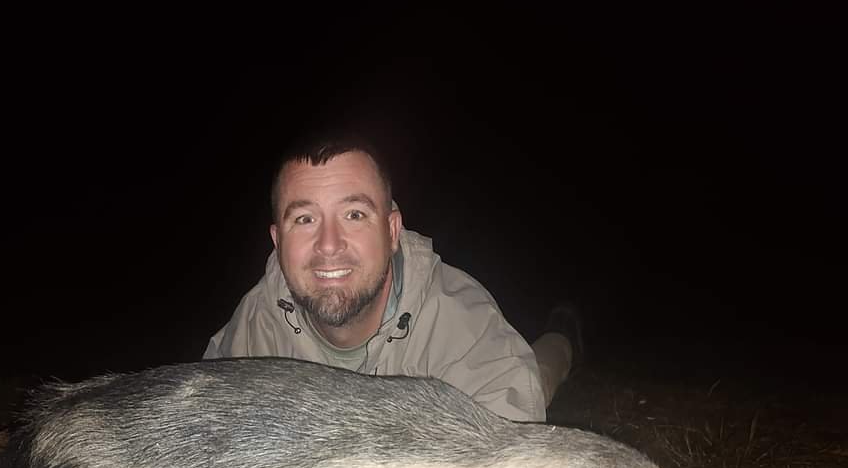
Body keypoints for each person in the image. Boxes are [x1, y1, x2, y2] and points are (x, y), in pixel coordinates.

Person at [203, 133, 582, 422]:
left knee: (539, 374)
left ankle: (561, 337)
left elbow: (509, 450)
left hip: (495, 376)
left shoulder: (460, 324)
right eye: (305, 220)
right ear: (277, 240)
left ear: (392, 230)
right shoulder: (255, 325)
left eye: (354, 214)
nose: (329, 245)